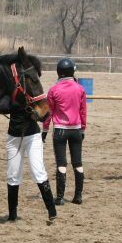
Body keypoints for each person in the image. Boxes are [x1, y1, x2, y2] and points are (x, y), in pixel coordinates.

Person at [0, 93, 58, 222]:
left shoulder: (32, 91)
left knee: (38, 172)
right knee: (12, 175)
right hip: (13, 138)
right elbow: (2, 107)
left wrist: (35, 106)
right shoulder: (9, 91)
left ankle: (52, 211)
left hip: (32, 137)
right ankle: (12, 215)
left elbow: (45, 114)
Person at [42, 58, 87, 205]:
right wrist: (83, 128)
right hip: (76, 130)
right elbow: (83, 111)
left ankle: (60, 197)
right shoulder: (80, 89)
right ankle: (78, 196)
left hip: (60, 130)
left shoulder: (54, 89)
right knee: (78, 163)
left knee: (61, 164)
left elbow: (48, 112)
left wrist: (45, 130)